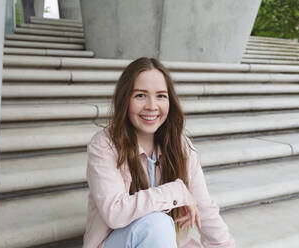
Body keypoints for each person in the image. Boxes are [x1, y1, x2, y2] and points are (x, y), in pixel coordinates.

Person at [83, 57, 236, 248]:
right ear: (125, 99)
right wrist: (176, 190)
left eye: (161, 96)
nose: (152, 106)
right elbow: (115, 213)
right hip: (118, 242)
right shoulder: (104, 145)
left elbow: (204, 208)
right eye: (140, 95)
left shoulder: (180, 145)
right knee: (157, 224)